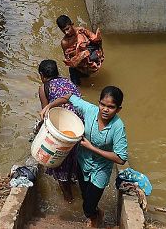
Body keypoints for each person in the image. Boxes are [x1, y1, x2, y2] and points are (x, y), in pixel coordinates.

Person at [40, 86, 128, 228]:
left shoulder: (118, 127)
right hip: (83, 162)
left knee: (87, 206)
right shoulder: (90, 110)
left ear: (118, 109)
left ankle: (94, 216)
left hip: (101, 168)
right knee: (85, 197)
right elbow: (68, 97)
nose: (105, 109)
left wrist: (92, 148)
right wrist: (49, 106)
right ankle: (97, 213)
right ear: (98, 103)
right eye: (102, 104)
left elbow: (121, 158)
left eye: (111, 107)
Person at [37, 59, 83, 203]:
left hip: (63, 129)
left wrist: (39, 131)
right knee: (74, 161)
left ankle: (69, 201)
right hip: (79, 126)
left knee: (60, 163)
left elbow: (47, 113)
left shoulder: (44, 87)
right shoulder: (69, 83)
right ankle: (80, 198)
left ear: (41, 75)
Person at [57, 15, 104, 85]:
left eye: (67, 29)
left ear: (72, 24)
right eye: (63, 31)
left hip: (89, 61)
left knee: (88, 78)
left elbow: (96, 41)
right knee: (76, 85)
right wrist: (78, 55)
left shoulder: (81, 31)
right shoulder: (65, 42)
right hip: (77, 67)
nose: (66, 32)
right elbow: (68, 59)